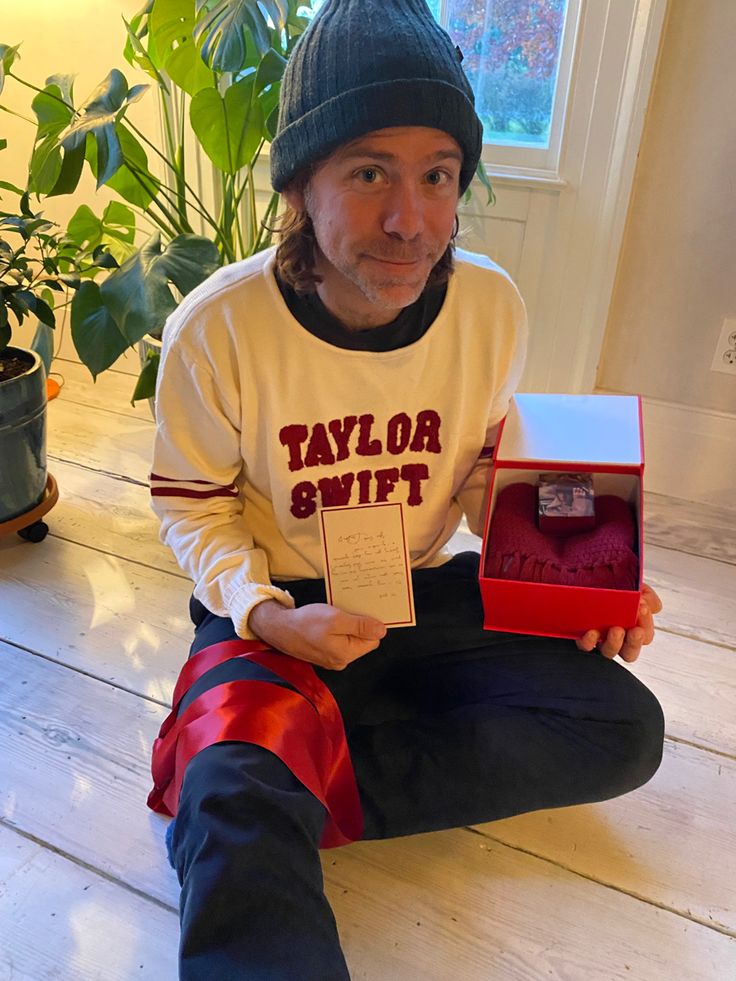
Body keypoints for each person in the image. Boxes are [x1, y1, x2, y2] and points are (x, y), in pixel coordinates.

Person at [148, 1, 665, 977]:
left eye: (437, 175)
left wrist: (584, 580)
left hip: (423, 593)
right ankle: (251, 780)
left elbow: (479, 474)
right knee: (227, 787)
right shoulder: (219, 329)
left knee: (623, 730)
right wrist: (262, 617)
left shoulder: (488, 305)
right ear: (300, 183)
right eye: (369, 172)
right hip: (282, 608)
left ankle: (283, 783)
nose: (410, 220)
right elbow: (192, 502)